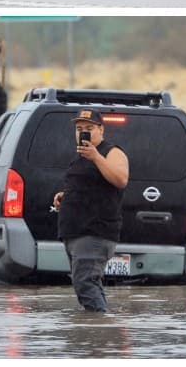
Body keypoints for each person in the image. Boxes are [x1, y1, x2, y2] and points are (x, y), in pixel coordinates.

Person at [52, 109, 129, 313]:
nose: (83, 132)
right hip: (75, 232)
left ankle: (98, 330)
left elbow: (121, 179)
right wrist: (65, 197)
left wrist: (97, 157)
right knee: (87, 284)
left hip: (94, 232)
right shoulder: (80, 157)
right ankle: (98, 332)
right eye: (79, 129)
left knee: (85, 284)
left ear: (101, 130)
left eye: (89, 128)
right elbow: (89, 187)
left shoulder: (111, 152)